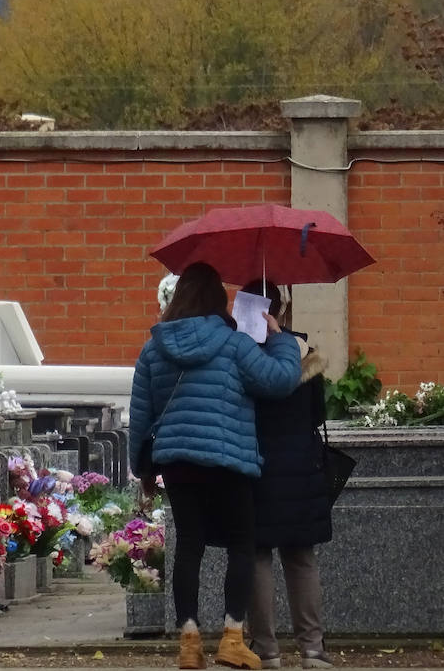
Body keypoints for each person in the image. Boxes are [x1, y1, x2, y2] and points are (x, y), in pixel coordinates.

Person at [130, 263, 303, 670]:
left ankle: (189, 642)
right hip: (229, 459)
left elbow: (141, 415)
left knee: (189, 545)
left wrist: (143, 470)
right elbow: (279, 381)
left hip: (177, 462)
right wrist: (279, 339)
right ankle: (232, 638)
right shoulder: (234, 343)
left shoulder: (154, 348)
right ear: (216, 300)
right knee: (242, 545)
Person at [239, 281, 333, 670]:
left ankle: (266, 649)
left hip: (255, 465)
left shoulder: (240, 356)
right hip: (300, 468)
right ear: (279, 309)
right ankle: (312, 650)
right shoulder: (304, 354)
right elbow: (318, 417)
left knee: (258, 555)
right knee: (301, 557)